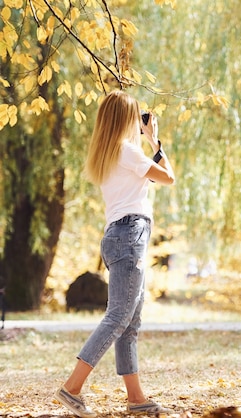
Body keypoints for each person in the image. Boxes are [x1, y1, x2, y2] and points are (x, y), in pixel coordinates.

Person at [53, 90, 176, 417]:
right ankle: (72, 388)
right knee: (119, 317)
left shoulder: (108, 152)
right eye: (135, 117)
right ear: (126, 120)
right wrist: (155, 142)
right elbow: (168, 177)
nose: (139, 122)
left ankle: (135, 398)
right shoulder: (129, 152)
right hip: (130, 235)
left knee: (130, 321)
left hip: (121, 236)